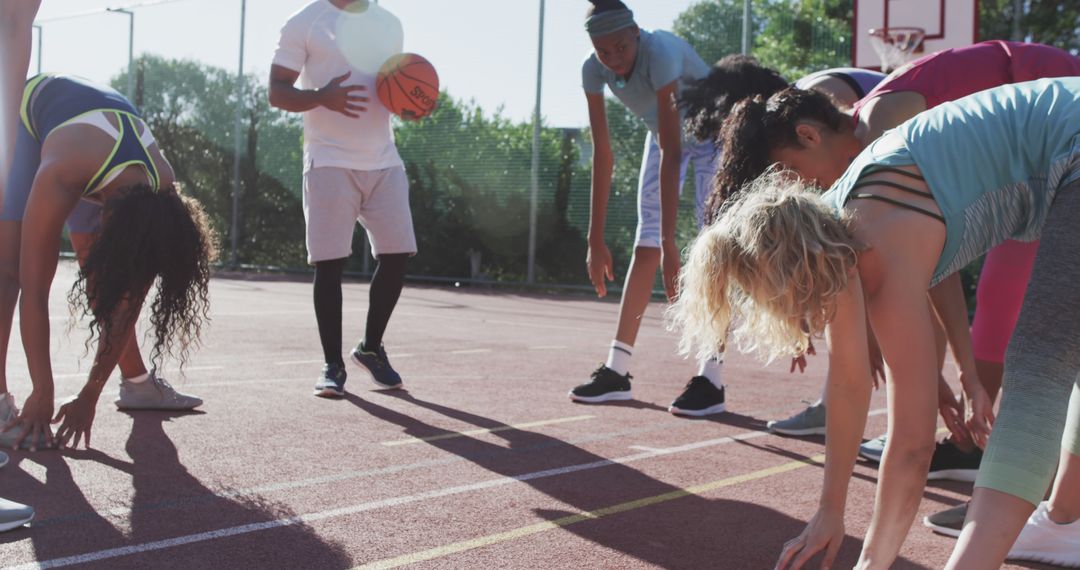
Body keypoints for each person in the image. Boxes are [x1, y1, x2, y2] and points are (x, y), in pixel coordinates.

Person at [671, 77, 1080, 569]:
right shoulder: (842, 224)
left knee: (1039, 364)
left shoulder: (874, 251)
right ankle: (1064, 521)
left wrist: (869, 564)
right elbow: (848, 384)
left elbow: (911, 448)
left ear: (796, 277)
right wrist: (830, 511)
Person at [0, 71, 215, 451]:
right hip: (31, 118)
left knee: (106, 280)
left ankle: (136, 386)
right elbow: (35, 294)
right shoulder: (62, 172)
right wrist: (43, 393)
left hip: (104, 156)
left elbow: (125, 305)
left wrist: (90, 394)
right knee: (11, 272)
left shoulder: (161, 192)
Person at [567, 0, 725, 416]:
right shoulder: (593, 68)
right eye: (604, 52)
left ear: (636, 32)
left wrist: (672, 244)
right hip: (663, 136)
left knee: (712, 247)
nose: (614, 60)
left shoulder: (661, 54)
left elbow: (675, 151)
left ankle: (712, 377)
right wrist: (595, 239)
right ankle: (616, 372)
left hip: (714, 135)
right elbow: (603, 152)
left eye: (621, 47)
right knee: (645, 245)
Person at [269, 0, 414, 398]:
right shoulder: (305, 22)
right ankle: (332, 365)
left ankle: (370, 348)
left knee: (398, 254)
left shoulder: (389, 23)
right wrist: (320, 96)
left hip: (384, 159)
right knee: (330, 264)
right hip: (329, 158)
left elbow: (394, 86)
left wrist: (413, 101)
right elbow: (277, 92)